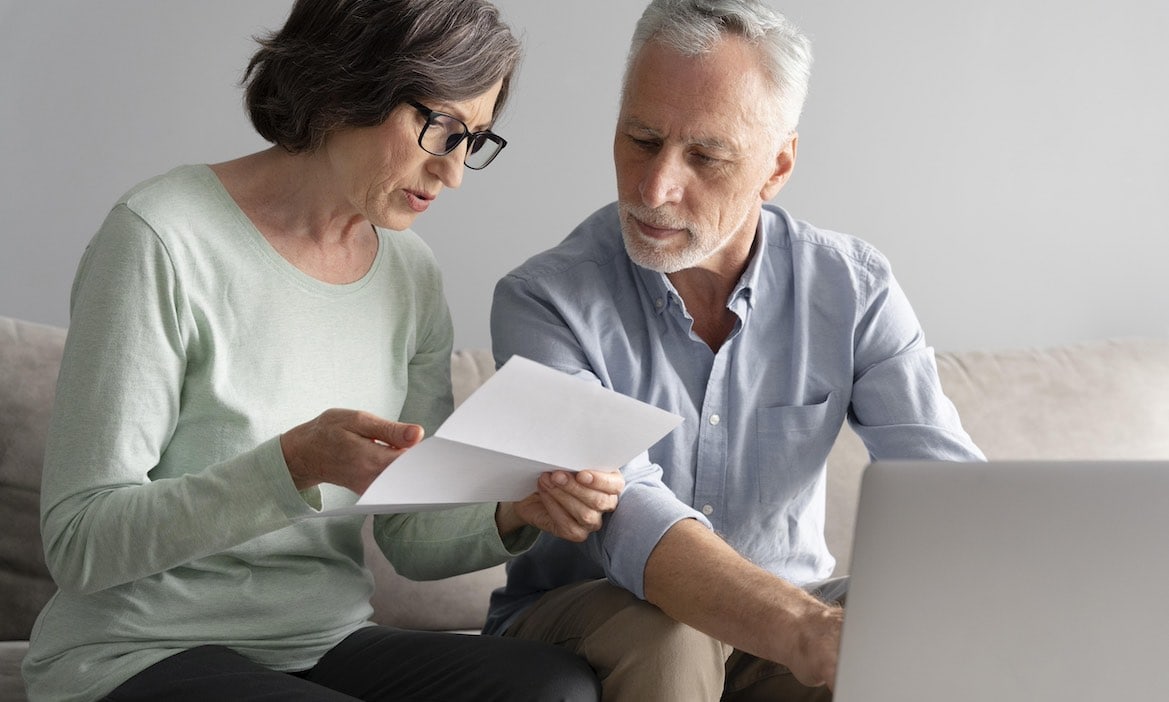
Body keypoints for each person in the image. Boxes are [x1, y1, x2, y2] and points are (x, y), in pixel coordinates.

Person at [21, 1, 623, 700]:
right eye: (439, 127)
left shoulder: (410, 272)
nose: (453, 172)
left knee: (553, 689)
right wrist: (291, 466)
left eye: (474, 140)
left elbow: (409, 533)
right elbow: (79, 544)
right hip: (139, 650)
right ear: (346, 86)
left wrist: (516, 510)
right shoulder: (160, 236)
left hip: (320, 641)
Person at [484, 0, 986, 700]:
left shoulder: (852, 286)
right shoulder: (543, 301)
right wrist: (803, 631)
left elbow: (948, 493)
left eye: (705, 155)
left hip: (784, 621)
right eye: (640, 138)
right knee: (670, 634)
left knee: (938, 623)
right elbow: (624, 512)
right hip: (592, 618)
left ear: (777, 165)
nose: (654, 187)